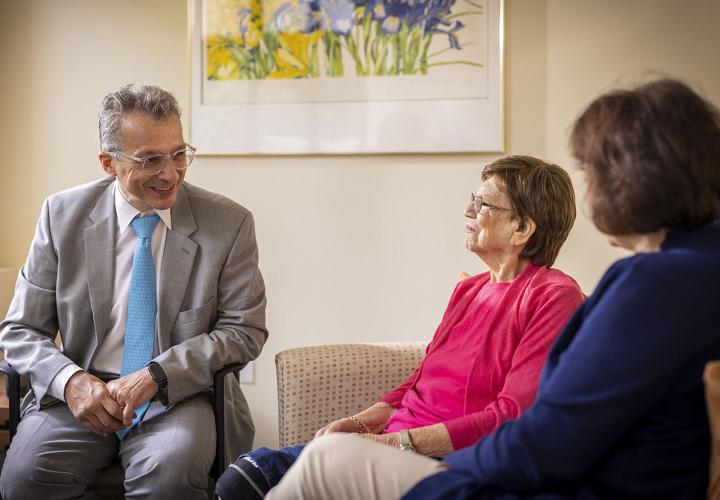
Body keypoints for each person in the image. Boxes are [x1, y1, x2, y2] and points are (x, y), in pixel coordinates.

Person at [261, 77, 720, 500]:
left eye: (592, 170)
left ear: (630, 179)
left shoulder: (650, 282)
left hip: (564, 485)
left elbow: (548, 436)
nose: (591, 190)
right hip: (567, 472)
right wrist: (374, 422)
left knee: (327, 462)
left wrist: (442, 462)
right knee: (283, 465)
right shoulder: (696, 268)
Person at [215, 155, 585, 500]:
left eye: (483, 204)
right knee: (245, 476)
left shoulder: (553, 296)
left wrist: (397, 445)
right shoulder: (471, 289)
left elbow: (513, 416)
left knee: (293, 475)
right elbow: (419, 382)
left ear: (521, 228)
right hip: (397, 445)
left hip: (449, 462)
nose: (468, 210)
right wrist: (362, 422)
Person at [0, 84, 268, 499]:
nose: (171, 172)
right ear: (109, 163)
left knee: (169, 478)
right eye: (150, 159)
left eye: (179, 154)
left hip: (178, 395)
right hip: (83, 393)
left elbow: (244, 330)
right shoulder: (61, 215)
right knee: (23, 479)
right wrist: (71, 382)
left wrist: (157, 374)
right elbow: (19, 330)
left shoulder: (229, 223)